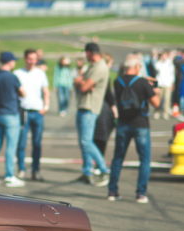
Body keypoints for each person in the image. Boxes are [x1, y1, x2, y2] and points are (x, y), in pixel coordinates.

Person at [106, 53, 161, 203]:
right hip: (140, 123)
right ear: (136, 67)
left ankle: (112, 191)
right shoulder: (142, 82)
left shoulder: (117, 82)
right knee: (144, 159)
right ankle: (140, 193)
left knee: (118, 158)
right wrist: (154, 89)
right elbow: (156, 103)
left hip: (123, 123)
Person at [73, 42, 111, 186]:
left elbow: (84, 87)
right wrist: (81, 81)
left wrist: (79, 82)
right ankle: (87, 171)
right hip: (84, 106)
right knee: (83, 142)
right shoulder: (93, 66)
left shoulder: (99, 67)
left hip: (89, 107)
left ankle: (103, 168)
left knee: (86, 141)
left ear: (90, 53)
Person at [0, 51, 25, 188]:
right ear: (9, 62)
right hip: (11, 114)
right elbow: (22, 93)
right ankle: (9, 175)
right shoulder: (12, 77)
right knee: (11, 146)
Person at [15, 48, 50, 181]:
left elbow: (46, 91)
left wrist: (46, 106)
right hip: (24, 111)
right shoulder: (18, 73)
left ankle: (36, 170)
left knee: (37, 143)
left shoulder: (40, 73)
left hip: (38, 112)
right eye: (29, 59)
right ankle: (21, 169)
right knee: (22, 142)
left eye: (34, 59)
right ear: (25, 59)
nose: (31, 62)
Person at [154, 49, 176, 119]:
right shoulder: (158, 63)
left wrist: (172, 83)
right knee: (159, 99)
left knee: (167, 99)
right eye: (162, 56)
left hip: (168, 84)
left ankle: (165, 113)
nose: (164, 57)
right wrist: (159, 59)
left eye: (165, 55)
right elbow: (156, 68)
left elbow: (172, 74)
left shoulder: (169, 63)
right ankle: (157, 112)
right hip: (160, 84)